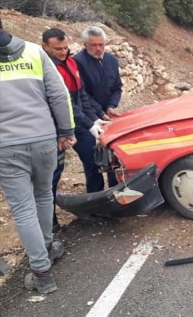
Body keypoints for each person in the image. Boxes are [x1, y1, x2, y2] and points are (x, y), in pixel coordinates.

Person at [0, 27, 76, 294]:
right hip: (44, 139)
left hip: (6, 146)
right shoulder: (34, 51)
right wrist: (66, 131)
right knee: (44, 194)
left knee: (22, 208)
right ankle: (47, 247)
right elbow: (59, 94)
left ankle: (41, 273)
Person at [42, 28, 110, 233]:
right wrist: (89, 124)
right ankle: (50, 223)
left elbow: (81, 96)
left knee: (93, 160)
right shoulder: (45, 69)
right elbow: (64, 104)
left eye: (65, 48)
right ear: (44, 46)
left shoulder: (70, 62)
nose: (62, 52)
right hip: (53, 127)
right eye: (57, 49)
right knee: (53, 174)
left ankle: (95, 206)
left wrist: (95, 118)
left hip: (77, 123)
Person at [73, 26, 119, 189]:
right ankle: (95, 199)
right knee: (92, 160)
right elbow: (83, 94)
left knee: (114, 155)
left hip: (108, 117)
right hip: (86, 118)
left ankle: (116, 192)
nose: (98, 48)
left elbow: (117, 87)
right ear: (85, 44)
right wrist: (99, 113)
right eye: (94, 45)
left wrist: (112, 106)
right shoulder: (77, 63)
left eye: (101, 44)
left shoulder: (112, 61)